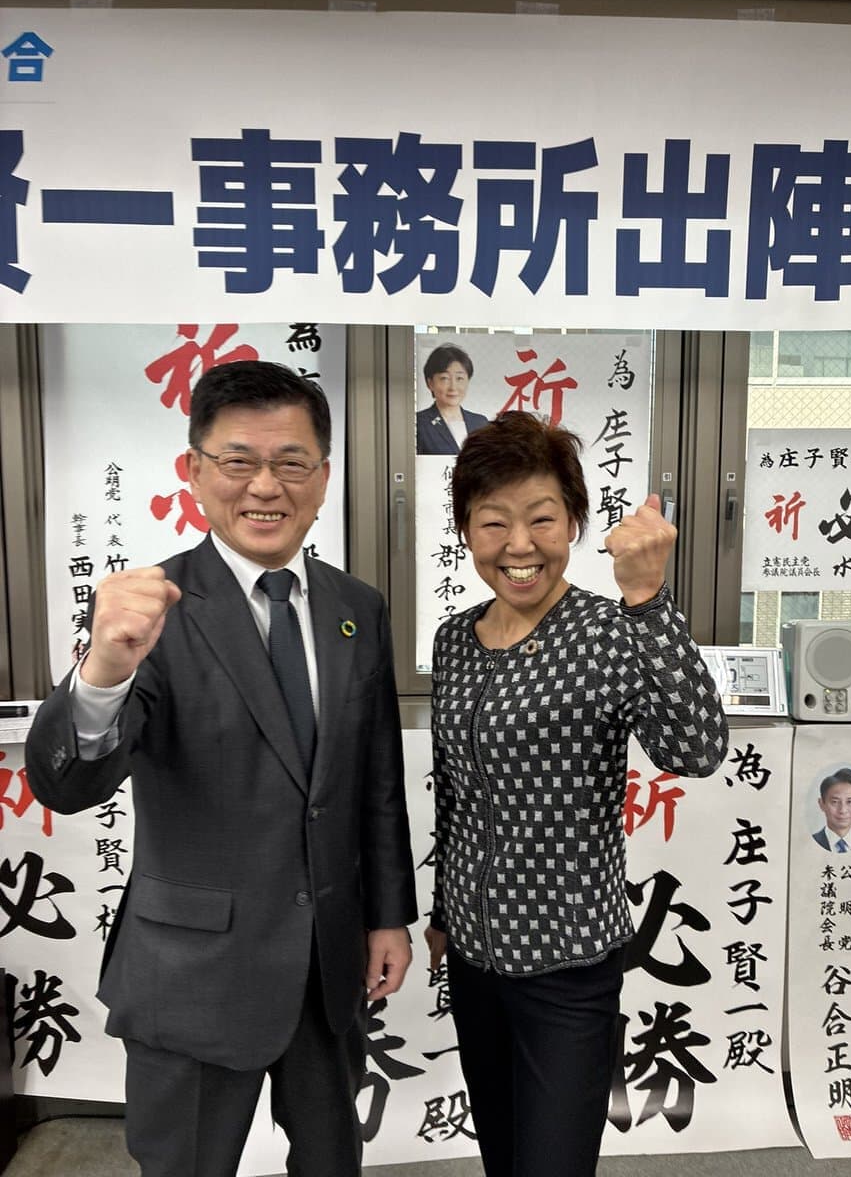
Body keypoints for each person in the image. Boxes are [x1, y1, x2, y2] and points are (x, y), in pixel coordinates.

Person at [25, 361, 417, 1177]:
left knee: (332, 1163)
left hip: (327, 967)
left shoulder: (357, 608)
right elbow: (68, 784)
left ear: (324, 478)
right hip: (193, 974)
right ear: (195, 472)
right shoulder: (153, 608)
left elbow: (376, 783)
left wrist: (388, 917)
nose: (265, 487)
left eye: (291, 462)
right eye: (238, 461)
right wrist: (103, 671)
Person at [424, 411, 728, 1177]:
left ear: (574, 524)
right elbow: (454, 793)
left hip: (567, 965)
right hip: (473, 960)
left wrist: (648, 599)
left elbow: (696, 748)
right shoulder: (454, 639)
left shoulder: (605, 632)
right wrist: (442, 914)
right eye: (493, 522)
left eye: (541, 518)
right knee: (502, 1155)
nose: (518, 545)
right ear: (466, 531)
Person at [415, 343, 489, 455]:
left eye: (459, 378)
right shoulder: (418, 423)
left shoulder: (480, 423)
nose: (453, 387)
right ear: (430, 383)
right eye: (444, 378)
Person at [813, 768, 851, 851]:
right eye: (835, 802)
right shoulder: (810, 842)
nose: (842, 810)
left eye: (850, 802)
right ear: (822, 804)